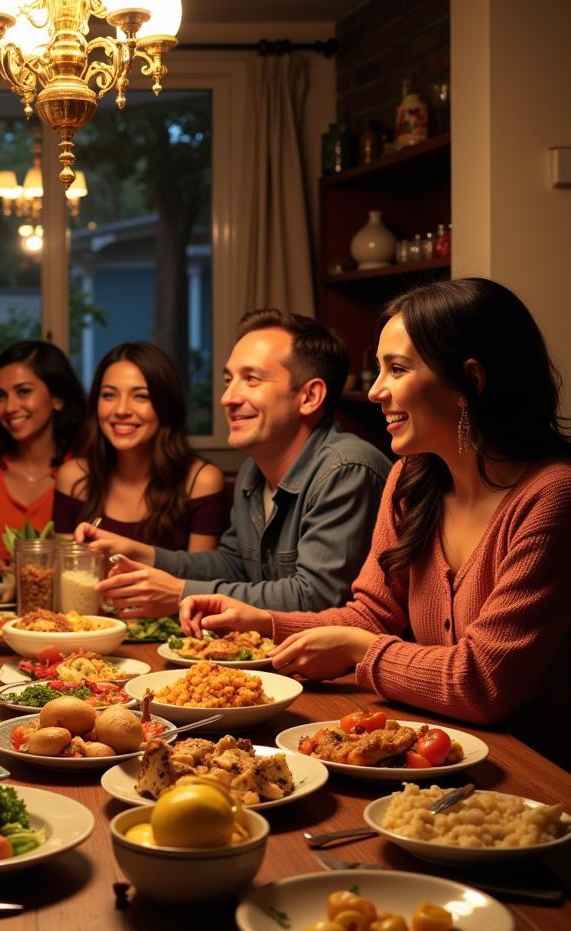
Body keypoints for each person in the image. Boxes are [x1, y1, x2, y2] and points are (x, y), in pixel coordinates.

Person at [181, 279, 571, 743]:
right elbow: (372, 614)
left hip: (539, 769)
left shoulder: (551, 496)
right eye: (378, 370)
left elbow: (484, 682)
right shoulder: (411, 481)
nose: (375, 391)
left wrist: (362, 650)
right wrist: (261, 621)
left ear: (468, 382)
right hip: (433, 743)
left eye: (398, 369)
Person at [75, 311, 392, 617]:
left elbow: (317, 597)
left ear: (309, 396)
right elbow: (236, 565)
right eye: (229, 380)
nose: (228, 397)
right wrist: (142, 553)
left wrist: (180, 593)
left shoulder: (347, 470)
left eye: (251, 379)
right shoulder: (252, 472)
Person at [54, 341, 227, 555]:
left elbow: (201, 577)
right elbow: (65, 573)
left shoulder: (201, 481)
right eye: (109, 395)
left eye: (141, 396)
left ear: (166, 405)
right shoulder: (73, 478)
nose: (122, 410)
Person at [0, 340, 87, 572]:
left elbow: (88, 564)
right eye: (0, 396)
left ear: (57, 399)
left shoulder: (81, 471)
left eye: (23, 392)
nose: (9, 407)